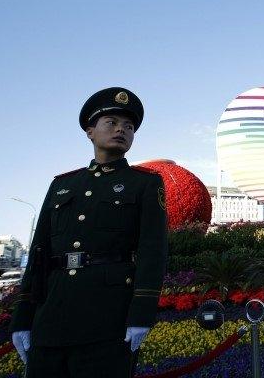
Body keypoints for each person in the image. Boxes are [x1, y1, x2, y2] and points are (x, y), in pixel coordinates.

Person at [9, 87, 168, 377]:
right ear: (90, 131)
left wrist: (142, 312)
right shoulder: (62, 184)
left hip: (109, 318)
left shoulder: (144, 183)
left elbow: (152, 250)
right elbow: (39, 252)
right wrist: (22, 316)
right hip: (51, 316)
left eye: (129, 127)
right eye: (112, 123)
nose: (122, 130)